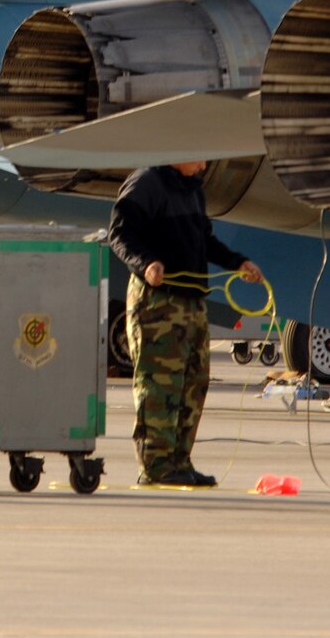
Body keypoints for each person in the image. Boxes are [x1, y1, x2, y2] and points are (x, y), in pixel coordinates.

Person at [106, 160, 262, 487]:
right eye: (200, 157)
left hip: (191, 303)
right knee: (160, 385)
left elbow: (205, 240)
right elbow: (120, 234)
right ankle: (155, 467)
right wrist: (145, 263)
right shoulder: (146, 182)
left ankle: (179, 461)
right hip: (157, 302)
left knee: (193, 383)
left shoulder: (191, 189)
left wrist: (238, 262)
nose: (204, 165)